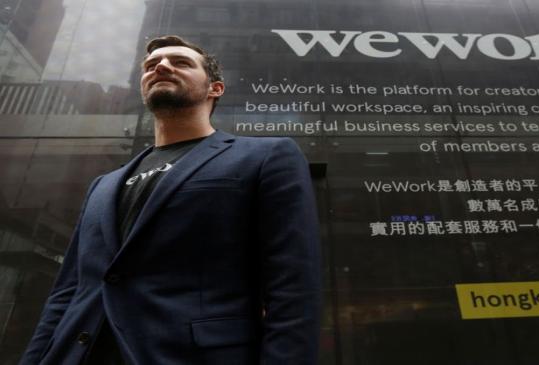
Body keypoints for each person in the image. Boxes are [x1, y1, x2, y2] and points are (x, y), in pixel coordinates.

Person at [20, 35, 321, 365]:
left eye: (180, 62)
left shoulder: (266, 156)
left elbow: (293, 287)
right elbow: (68, 291)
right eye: (151, 65)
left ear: (214, 89)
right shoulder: (103, 186)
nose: (160, 66)